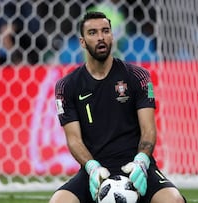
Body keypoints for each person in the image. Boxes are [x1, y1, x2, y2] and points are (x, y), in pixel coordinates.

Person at [50, 11, 186, 203]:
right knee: (58, 201)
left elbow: (148, 131)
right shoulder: (67, 86)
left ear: (112, 36)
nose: (100, 37)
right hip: (96, 171)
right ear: (82, 41)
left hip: (136, 167)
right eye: (93, 33)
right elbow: (74, 140)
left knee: (174, 200)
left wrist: (142, 161)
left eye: (105, 31)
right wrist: (91, 167)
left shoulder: (138, 77)